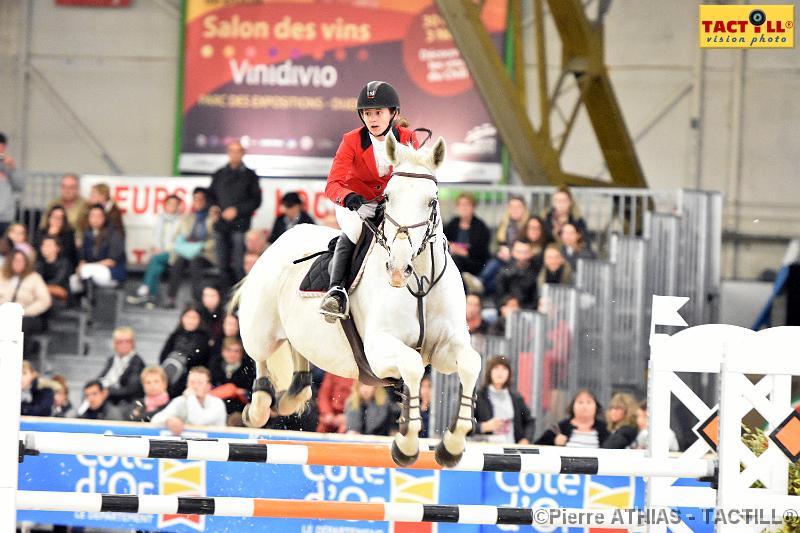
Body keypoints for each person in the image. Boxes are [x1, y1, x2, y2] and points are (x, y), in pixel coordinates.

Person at [319, 81, 419, 322]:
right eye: (367, 113)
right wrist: (348, 197)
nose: (372, 119)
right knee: (355, 230)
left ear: (392, 113)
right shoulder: (352, 140)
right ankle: (336, 291)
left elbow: (415, 178)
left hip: (391, 204)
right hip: (356, 202)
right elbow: (332, 184)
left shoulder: (407, 138)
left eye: (378, 113)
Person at [208, 141, 262, 290]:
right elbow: (210, 195)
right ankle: (225, 297)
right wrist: (212, 207)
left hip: (240, 225)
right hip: (220, 224)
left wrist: (237, 210)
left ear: (243, 153)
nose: (234, 154)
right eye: (232, 151)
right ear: (228, 152)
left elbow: (256, 201)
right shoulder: (219, 174)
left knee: (240, 264)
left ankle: (240, 295)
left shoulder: (250, 176)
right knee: (221, 264)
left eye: (238, 151)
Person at [165, 187, 217, 307]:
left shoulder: (212, 218)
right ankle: (171, 298)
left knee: (195, 262)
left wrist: (201, 246)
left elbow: (215, 240)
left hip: (205, 254)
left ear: (206, 200)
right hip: (186, 252)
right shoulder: (187, 217)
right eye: (195, 199)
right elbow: (177, 236)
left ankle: (197, 300)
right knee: (178, 262)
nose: (198, 202)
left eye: (201, 199)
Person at [127, 194, 182, 306]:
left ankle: (145, 288)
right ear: (165, 205)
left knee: (156, 259)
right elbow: (156, 237)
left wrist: (164, 250)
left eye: (174, 204)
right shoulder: (160, 219)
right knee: (157, 266)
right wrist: (157, 248)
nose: (172, 206)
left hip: (175, 253)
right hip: (160, 253)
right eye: (169, 203)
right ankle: (151, 298)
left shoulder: (181, 221)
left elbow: (179, 241)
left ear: (178, 206)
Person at [0, 249, 52, 354]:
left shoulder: (34, 278)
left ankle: (21, 357)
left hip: (27, 315)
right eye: (15, 260)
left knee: (20, 326)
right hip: (4, 313)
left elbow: (45, 300)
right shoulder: (2, 276)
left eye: (21, 261)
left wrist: (24, 311)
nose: (18, 263)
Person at [474, 355, 535, 444]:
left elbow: (530, 421)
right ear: (489, 372)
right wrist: (484, 427)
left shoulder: (516, 398)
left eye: (504, 369)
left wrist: (526, 439)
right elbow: (464, 426)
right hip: (486, 450)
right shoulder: (478, 397)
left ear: (509, 373)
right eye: (496, 368)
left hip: (512, 450)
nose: (500, 372)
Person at [70, 204, 127, 298]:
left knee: (86, 270)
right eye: (92, 216)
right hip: (91, 272)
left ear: (104, 218)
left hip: (112, 273)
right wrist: (79, 267)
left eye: (98, 216)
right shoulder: (87, 234)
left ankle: (90, 299)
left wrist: (87, 266)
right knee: (73, 280)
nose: (95, 219)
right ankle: (78, 304)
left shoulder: (114, 234)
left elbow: (111, 262)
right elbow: (83, 259)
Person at [151, 366, 228, 435]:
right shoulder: (180, 401)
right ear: (187, 385)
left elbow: (198, 421)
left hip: (215, 446)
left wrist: (191, 397)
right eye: (192, 382)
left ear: (209, 386)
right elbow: (155, 420)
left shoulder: (217, 404)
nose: (195, 386)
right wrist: (168, 420)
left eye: (200, 383)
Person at [480, 195, 529, 295]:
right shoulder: (504, 224)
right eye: (512, 207)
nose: (515, 210)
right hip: (502, 259)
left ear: (524, 209)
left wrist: (513, 253)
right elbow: (494, 245)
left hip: (518, 261)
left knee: (497, 274)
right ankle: (480, 283)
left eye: (518, 207)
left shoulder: (528, 225)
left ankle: (480, 286)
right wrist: (500, 251)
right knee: (492, 266)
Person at [159, 304, 211, 398]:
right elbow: (163, 356)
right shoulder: (176, 334)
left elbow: (200, 360)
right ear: (182, 318)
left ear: (200, 320)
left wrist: (183, 360)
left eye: (194, 318)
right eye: (187, 317)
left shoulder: (204, 338)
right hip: (170, 372)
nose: (190, 321)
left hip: (191, 377)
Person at [535, 389, 609, 447]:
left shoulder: (604, 429)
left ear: (596, 407)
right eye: (580, 402)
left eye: (589, 402)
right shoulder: (560, 428)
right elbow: (538, 446)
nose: (584, 406)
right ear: (572, 406)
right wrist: (554, 442)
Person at [443, 192, 491, 278]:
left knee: (455, 260)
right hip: (453, 257)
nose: (463, 208)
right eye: (461, 205)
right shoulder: (453, 223)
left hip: (473, 261)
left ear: (473, 207)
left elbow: (481, 252)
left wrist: (462, 252)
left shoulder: (481, 227)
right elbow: (443, 239)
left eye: (466, 205)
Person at [97, 326, 145, 406]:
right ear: (115, 344)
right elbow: (101, 377)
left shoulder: (137, 362)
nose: (124, 344)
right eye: (120, 342)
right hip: (109, 396)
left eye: (127, 341)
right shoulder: (112, 359)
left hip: (125, 401)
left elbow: (131, 389)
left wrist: (108, 392)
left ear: (133, 343)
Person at [210, 336, 254, 416]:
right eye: (229, 350)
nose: (232, 354)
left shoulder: (249, 370)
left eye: (236, 351)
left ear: (241, 353)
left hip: (241, 411)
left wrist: (243, 393)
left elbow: (254, 396)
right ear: (223, 351)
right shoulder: (214, 366)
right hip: (215, 409)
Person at [493, 238, 540, 310]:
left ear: (531, 253)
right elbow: (498, 296)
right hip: (506, 310)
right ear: (512, 252)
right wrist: (505, 305)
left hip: (528, 312)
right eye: (519, 252)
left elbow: (535, 300)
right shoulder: (503, 271)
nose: (522, 256)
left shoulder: (536, 273)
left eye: (526, 252)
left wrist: (520, 308)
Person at [35, 204, 78, 269]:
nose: (57, 220)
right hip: (43, 265)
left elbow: (69, 254)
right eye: (54, 217)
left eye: (60, 218)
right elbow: (37, 251)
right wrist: (49, 235)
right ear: (49, 218)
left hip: (61, 267)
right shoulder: (42, 232)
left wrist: (55, 237)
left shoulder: (69, 234)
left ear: (64, 221)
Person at [35, 236, 71, 302]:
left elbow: (58, 281)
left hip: (59, 294)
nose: (45, 248)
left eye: (48, 245)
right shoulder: (39, 263)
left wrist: (40, 287)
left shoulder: (64, 263)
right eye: (43, 245)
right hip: (41, 291)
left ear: (57, 248)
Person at [0, 132, 21, 237]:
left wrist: (13, 168)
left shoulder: (8, 165)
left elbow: (19, 186)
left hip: (5, 218)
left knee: (6, 249)